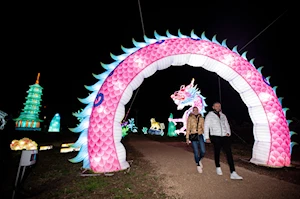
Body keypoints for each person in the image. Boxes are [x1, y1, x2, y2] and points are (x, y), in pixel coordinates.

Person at [204, 102, 243, 180]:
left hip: (224, 136)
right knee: (217, 152)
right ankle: (217, 166)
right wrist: (207, 137)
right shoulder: (210, 116)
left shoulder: (223, 115)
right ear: (213, 107)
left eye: (219, 106)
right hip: (215, 136)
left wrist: (228, 132)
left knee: (229, 153)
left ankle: (233, 172)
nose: (218, 107)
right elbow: (206, 126)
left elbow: (226, 124)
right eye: (216, 106)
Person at [186, 106, 205, 173]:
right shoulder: (190, 118)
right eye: (194, 110)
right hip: (193, 135)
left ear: (198, 110)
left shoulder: (201, 118)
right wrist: (187, 138)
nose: (195, 111)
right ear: (192, 111)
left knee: (203, 151)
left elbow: (204, 127)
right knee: (196, 151)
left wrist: (207, 136)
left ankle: (199, 159)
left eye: (196, 110)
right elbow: (188, 128)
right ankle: (198, 164)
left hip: (200, 135)